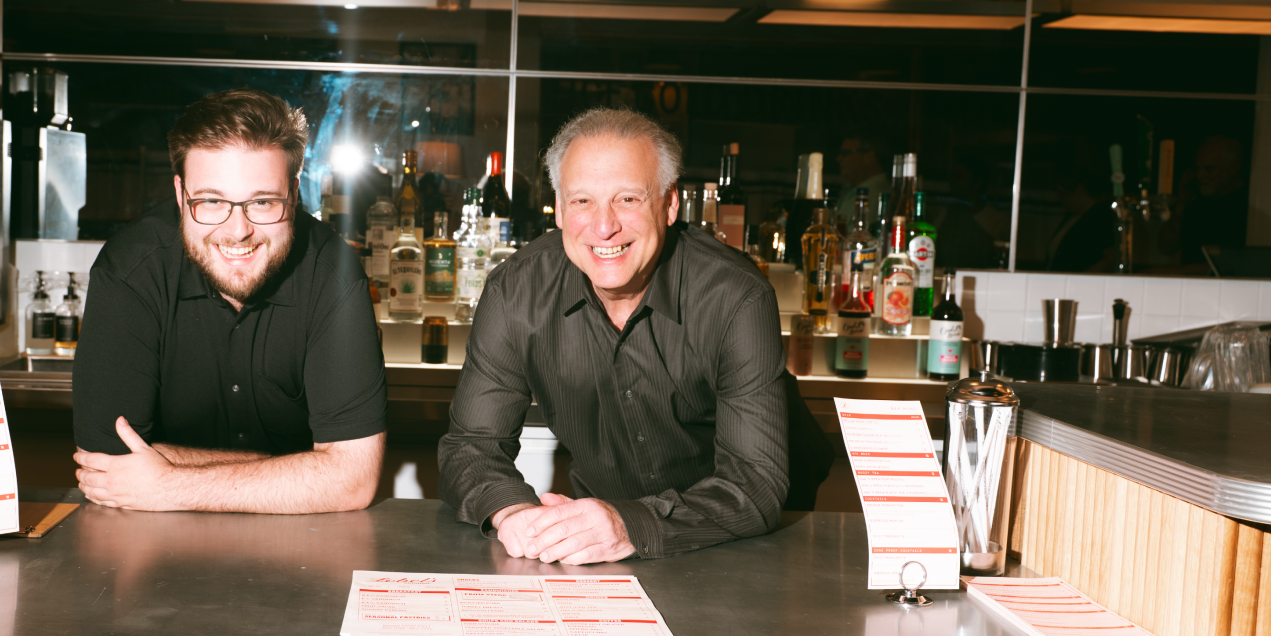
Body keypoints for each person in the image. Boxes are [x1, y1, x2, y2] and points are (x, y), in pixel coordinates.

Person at [438, 108, 833, 564]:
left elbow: (756, 484)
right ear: (561, 209)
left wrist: (629, 525)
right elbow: (471, 447)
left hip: (745, 536)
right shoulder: (515, 291)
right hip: (607, 538)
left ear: (669, 205)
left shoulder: (734, 296)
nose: (604, 226)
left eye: (627, 199)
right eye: (582, 201)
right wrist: (513, 514)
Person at [72, 89, 387, 513]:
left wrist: (170, 484)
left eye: (262, 202)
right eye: (212, 201)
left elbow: (353, 481)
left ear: (293, 195)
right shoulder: (130, 269)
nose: (237, 230)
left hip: (302, 544)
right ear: (182, 195)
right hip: (152, 544)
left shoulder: (333, 273)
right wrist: (301, 471)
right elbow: (105, 466)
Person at [1176, 135, 1248, 267]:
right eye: (1197, 168)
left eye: (1209, 169)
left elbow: (1230, 264)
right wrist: (1181, 204)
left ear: (1233, 167)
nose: (1199, 175)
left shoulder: (1244, 207)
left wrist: (1175, 272)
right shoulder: (1197, 205)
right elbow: (1166, 247)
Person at [1044, 157, 1120, 273]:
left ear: (1079, 190)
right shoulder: (1071, 216)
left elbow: (1110, 259)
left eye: (1063, 194)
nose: (1060, 199)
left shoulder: (1100, 218)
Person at [835, 134, 891, 212]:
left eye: (845, 153)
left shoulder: (880, 195)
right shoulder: (849, 189)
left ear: (867, 157)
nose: (838, 158)